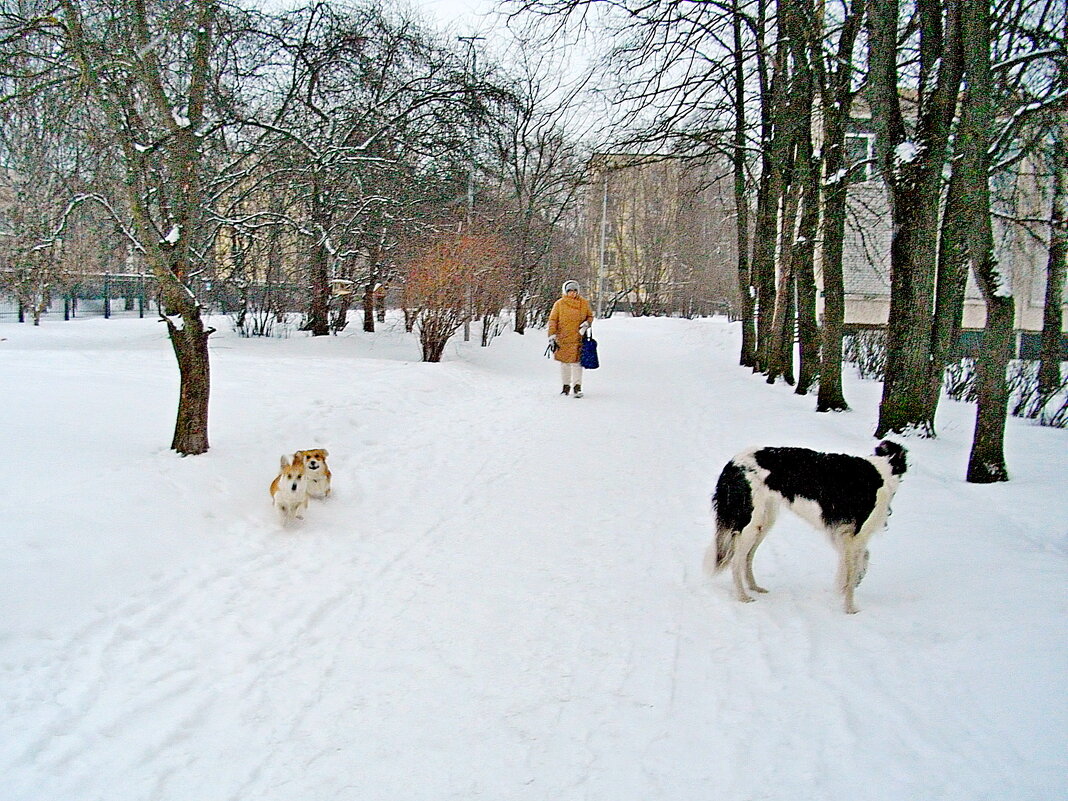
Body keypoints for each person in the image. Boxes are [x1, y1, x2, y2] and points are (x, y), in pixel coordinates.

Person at [548, 279, 594, 397]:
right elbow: (553, 320)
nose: (572, 293)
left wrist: (586, 324)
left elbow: (590, 316)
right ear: (565, 291)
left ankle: (577, 387)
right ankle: (565, 386)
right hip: (563, 338)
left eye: (575, 290)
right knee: (565, 363)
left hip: (578, 338)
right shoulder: (559, 304)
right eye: (570, 291)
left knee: (577, 363)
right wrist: (552, 336)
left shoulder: (583, 303)